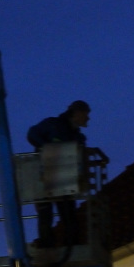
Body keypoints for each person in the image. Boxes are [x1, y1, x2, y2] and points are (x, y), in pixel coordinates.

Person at [25, 100, 93, 248]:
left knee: (66, 212)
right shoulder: (53, 124)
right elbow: (32, 134)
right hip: (46, 174)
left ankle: (69, 243)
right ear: (76, 113)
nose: (88, 118)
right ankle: (49, 243)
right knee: (47, 212)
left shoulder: (77, 136)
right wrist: (48, 149)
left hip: (64, 177)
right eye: (86, 115)